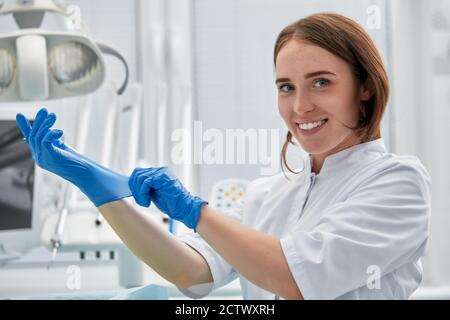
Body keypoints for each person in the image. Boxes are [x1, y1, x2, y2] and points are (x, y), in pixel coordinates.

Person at [16, 13, 431, 300]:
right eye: (286, 87)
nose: (300, 106)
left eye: (321, 82)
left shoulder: (397, 182)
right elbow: (189, 271)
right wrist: (95, 188)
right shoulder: (269, 193)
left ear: (365, 87)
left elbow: (296, 279)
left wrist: (194, 210)